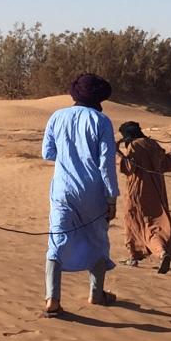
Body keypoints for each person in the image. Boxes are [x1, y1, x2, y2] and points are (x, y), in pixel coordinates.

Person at [41, 72, 119, 316]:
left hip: (63, 189)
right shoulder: (102, 121)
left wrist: (69, 155)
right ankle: (96, 294)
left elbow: (48, 153)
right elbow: (106, 163)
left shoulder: (57, 116)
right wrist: (111, 197)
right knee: (97, 239)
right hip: (93, 190)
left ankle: (52, 300)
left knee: (57, 238)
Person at [116, 121, 171, 272]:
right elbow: (168, 165)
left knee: (134, 221)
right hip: (157, 191)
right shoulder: (153, 144)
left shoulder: (134, 146)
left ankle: (134, 256)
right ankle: (162, 252)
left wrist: (116, 151)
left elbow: (128, 167)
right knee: (154, 225)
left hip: (138, 191)